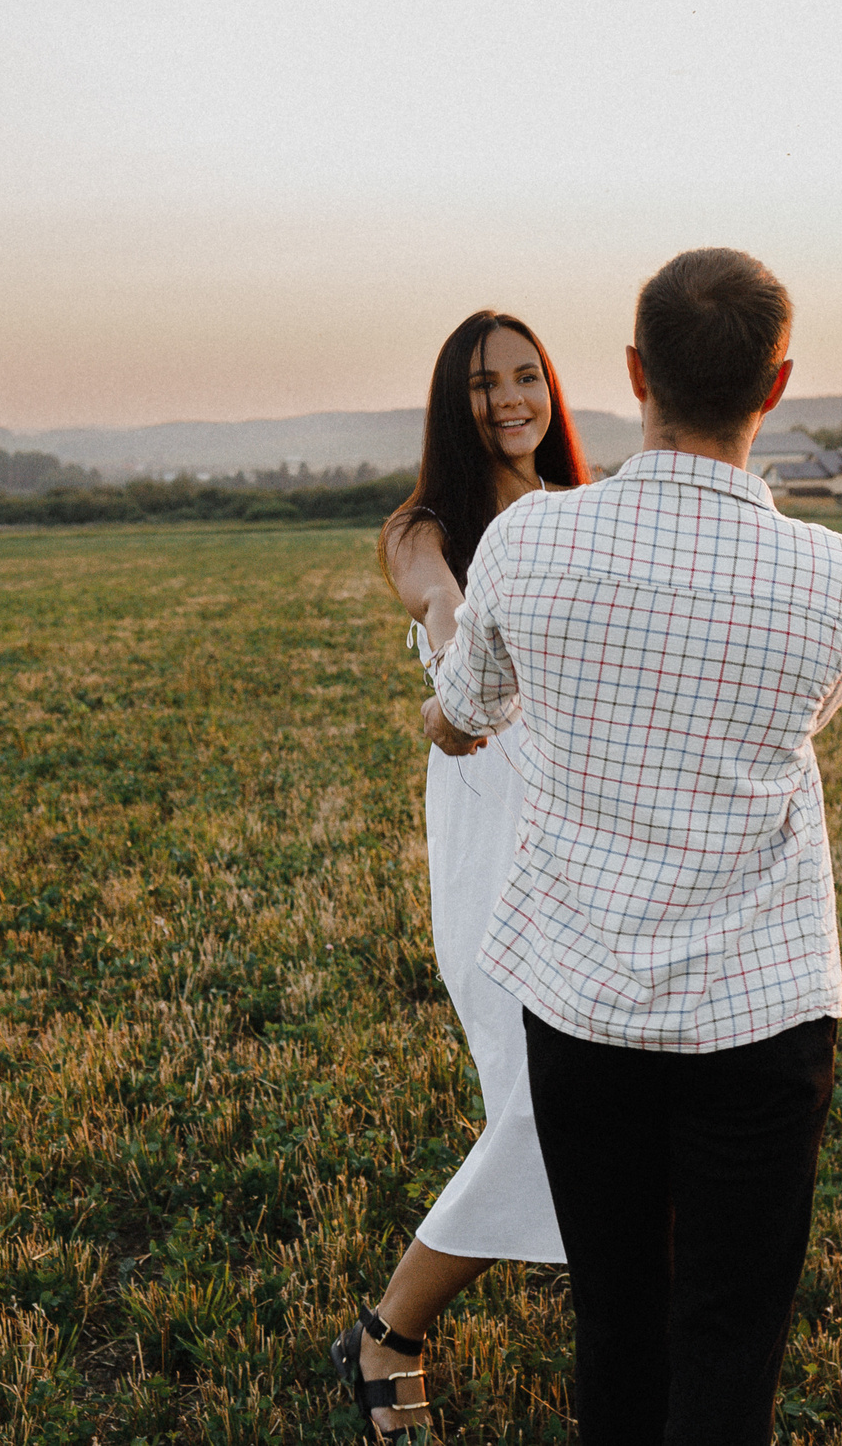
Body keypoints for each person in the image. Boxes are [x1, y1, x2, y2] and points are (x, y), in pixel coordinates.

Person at [423, 249, 842, 1445]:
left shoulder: (527, 546)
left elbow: (466, 715)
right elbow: (801, 722)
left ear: (632, 374)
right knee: (729, 1330)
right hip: (761, 1009)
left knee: (616, 1318)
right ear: (775, 386)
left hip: (581, 1003)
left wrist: (439, 677)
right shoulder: (838, 576)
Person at [332, 310, 591, 1442]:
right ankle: (388, 1335)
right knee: (539, 1101)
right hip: (493, 835)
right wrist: (458, 642)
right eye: (487, 385)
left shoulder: (584, 516)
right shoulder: (424, 528)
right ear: (456, 401)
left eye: (528, 377)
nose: (512, 400)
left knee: (601, 1093)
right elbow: (440, 602)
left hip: (590, 828)